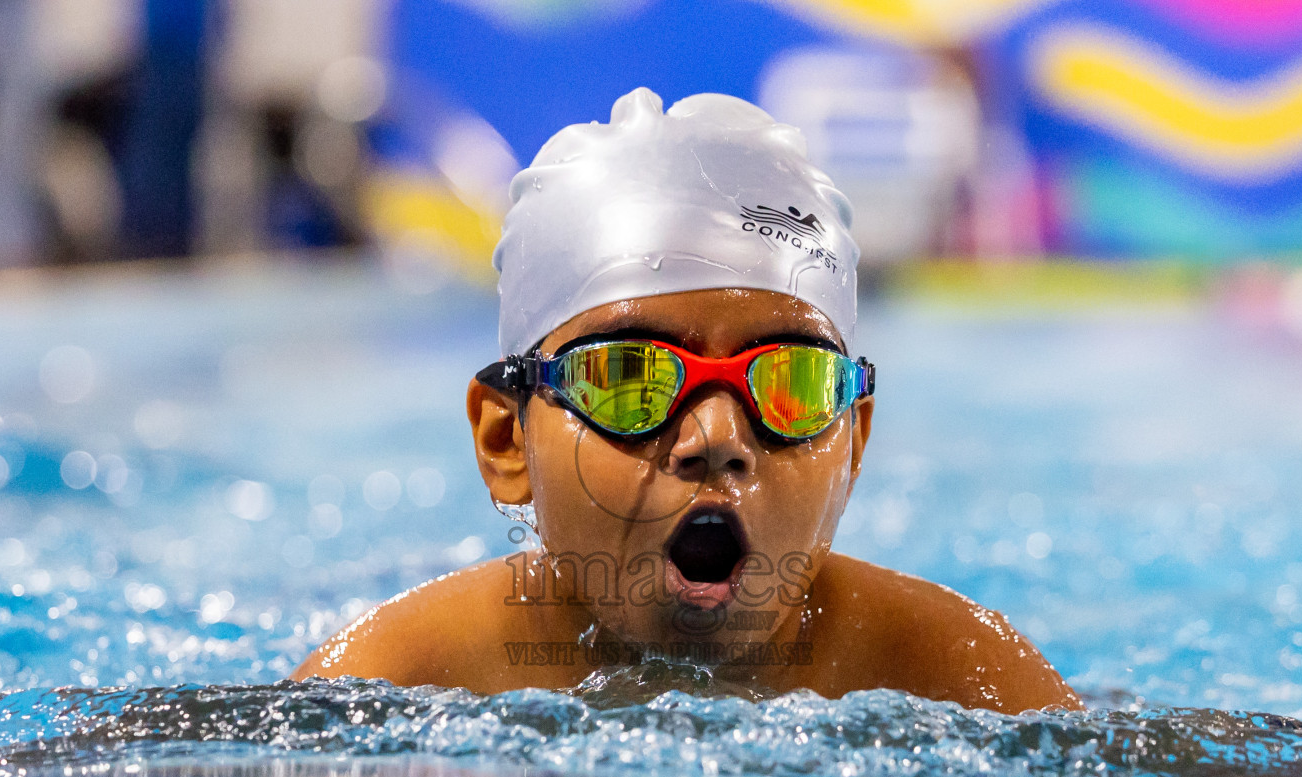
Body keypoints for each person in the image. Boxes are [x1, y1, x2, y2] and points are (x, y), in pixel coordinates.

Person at [297, 87, 1080, 714]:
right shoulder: (390, 685)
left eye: (791, 383)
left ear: (853, 443)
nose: (715, 436)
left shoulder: (952, 673)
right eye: (631, 376)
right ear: (508, 440)